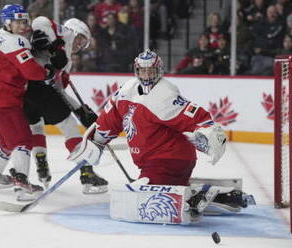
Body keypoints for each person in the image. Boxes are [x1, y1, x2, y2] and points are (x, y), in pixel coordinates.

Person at [68, 50, 254, 224]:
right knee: (145, 192)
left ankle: (202, 196)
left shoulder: (165, 94)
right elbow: (111, 118)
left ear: (159, 70)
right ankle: (213, 194)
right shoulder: (126, 90)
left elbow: (193, 116)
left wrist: (207, 133)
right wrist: (96, 141)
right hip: (153, 162)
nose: (147, 75)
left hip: (169, 159)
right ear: (136, 70)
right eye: (143, 71)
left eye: (151, 71)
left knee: (140, 199)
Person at [23, 16, 108, 193]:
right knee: (69, 126)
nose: (80, 44)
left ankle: (41, 163)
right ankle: (86, 173)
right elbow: (40, 20)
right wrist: (56, 45)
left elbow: (59, 90)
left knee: (36, 127)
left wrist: (79, 109)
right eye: (81, 38)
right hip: (38, 89)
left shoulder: (67, 59)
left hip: (26, 92)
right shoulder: (65, 34)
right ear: (74, 31)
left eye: (84, 43)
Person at [0, 4, 55, 201]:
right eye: (18, 22)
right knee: (23, 140)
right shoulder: (15, 42)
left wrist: (30, 45)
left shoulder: (4, 36)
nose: (23, 25)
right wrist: (47, 70)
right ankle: (21, 184)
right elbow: (30, 71)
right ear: (7, 22)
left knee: (7, 141)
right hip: (3, 97)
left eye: (24, 21)